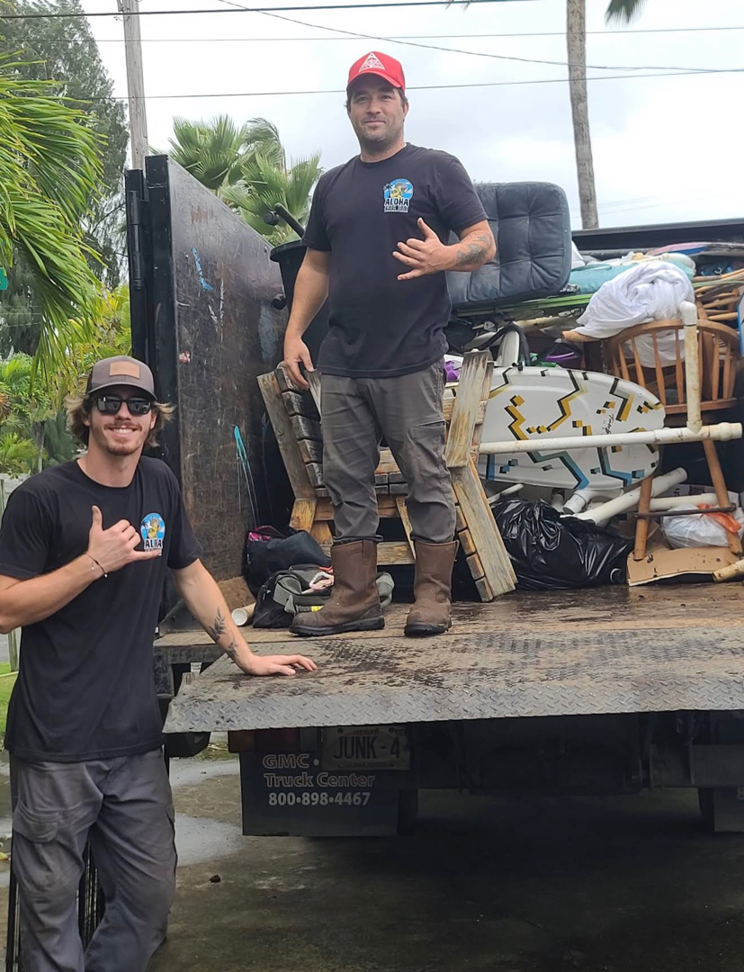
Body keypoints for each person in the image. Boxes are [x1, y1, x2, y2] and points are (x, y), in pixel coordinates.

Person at [0, 355, 316, 972]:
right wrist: (94, 563)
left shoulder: (159, 484)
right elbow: (5, 608)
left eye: (137, 405)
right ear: (86, 415)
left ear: (152, 420)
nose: (124, 414)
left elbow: (190, 572)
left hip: (133, 738)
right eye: (110, 402)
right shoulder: (41, 499)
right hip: (56, 743)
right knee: (48, 910)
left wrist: (243, 652)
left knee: (149, 896)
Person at [283, 51, 496, 639]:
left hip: (410, 355)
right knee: (346, 482)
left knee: (423, 477)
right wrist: (295, 333)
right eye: (361, 98)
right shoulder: (332, 186)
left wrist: (448, 256)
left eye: (384, 96)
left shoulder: (436, 169)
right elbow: (315, 265)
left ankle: (432, 597)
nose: (372, 107)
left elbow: (484, 241)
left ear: (404, 105)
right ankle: (355, 600)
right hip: (343, 361)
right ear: (348, 108)